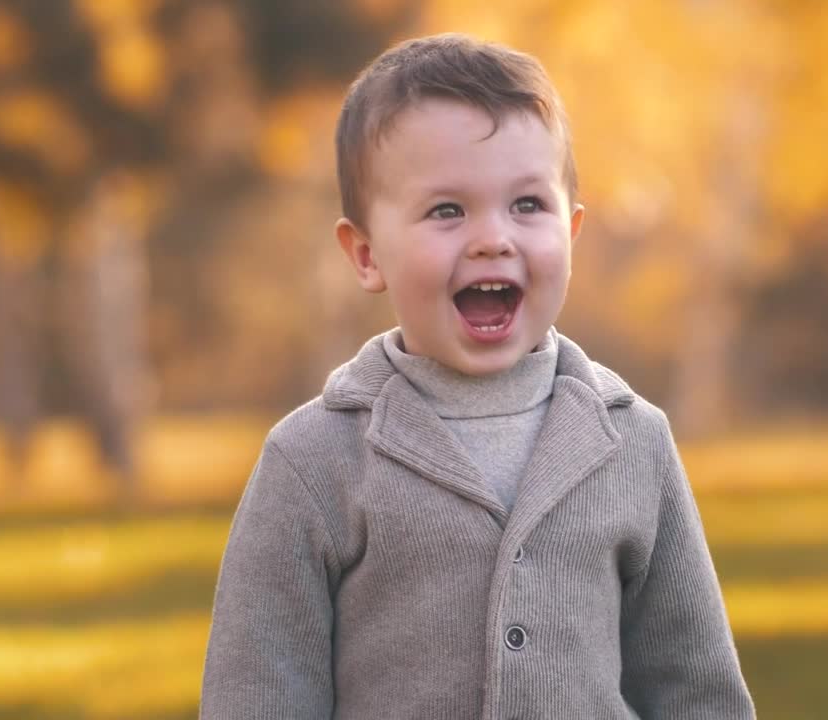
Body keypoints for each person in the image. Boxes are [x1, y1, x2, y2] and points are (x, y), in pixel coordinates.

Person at [199, 32, 755, 719]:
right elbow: (259, 688)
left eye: (528, 205)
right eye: (447, 211)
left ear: (572, 233)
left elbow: (695, 688)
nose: (494, 238)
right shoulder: (315, 460)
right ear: (367, 255)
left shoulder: (634, 442)